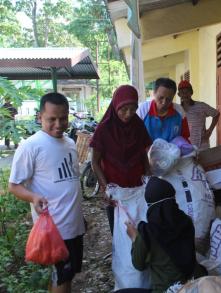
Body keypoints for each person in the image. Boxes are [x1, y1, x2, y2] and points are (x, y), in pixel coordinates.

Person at [8, 92, 85, 293]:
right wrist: (33, 197)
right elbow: (14, 185)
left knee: (68, 275)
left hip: (74, 224)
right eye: (52, 119)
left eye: (63, 118)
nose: (58, 124)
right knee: (61, 277)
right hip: (54, 229)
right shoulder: (31, 146)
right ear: (40, 117)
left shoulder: (69, 143)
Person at [90, 85, 152, 234]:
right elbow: (95, 162)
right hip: (115, 188)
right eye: (123, 109)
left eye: (133, 109)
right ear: (116, 105)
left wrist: (149, 177)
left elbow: (143, 153)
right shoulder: (104, 129)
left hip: (137, 186)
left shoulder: (137, 125)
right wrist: (106, 188)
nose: (128, 114)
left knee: (139, 228)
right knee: (118, 229)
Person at [125, 176, 197, 293]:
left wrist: (134, 238)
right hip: (191, 287)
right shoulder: (186, 222)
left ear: (151, 207)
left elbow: (138, 265)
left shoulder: (148, 233)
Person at [137, 78, 190, 143]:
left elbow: (185, 137)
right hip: (147, 152)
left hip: (173, 152)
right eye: (161, 98)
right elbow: (135, 137)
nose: (164, 102)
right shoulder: (142, 110)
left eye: (168, 99)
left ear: (173, 97)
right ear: (154, 93)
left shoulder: (179, 111)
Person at [178, 80, 220, 149]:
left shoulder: (201, 106)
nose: (185, 94)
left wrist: (210, 131)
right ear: (179, 94)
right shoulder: (178, 109)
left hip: (202, 145)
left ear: (191, 93)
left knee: (204, 160)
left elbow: (216, 114)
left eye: (187, 92)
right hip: (185, 146)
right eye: (182, 92)